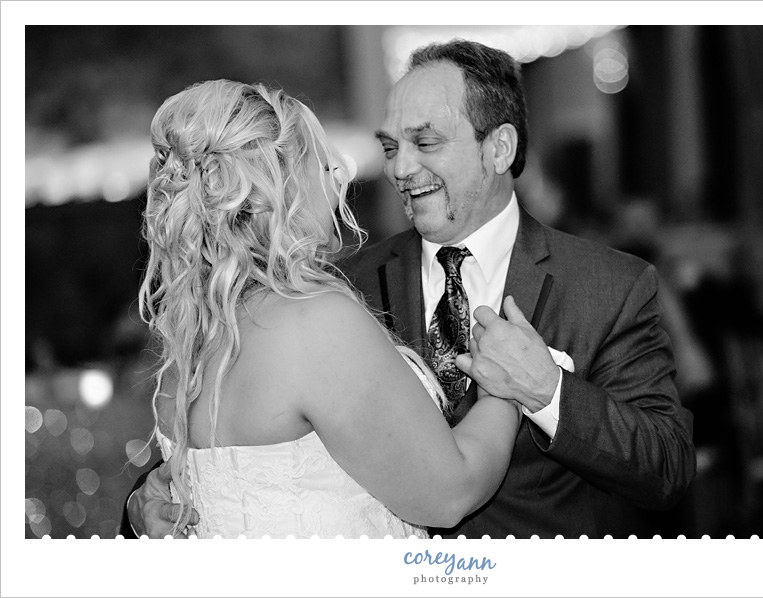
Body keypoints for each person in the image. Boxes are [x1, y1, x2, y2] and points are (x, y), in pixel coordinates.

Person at [120, 79, 520, 538]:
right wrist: (504, 390)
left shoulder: (191, 340)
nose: (339, 176)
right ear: (278, 187)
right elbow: (450, 494)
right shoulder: (316, 321)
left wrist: (136, 508)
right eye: (322, 165)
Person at [345, 39, 695, 538]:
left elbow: (667, 468)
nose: (399, 169)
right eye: (390, 148)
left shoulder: (609, 285)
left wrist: (548, 391)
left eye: (426, 143)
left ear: (499, 148)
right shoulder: (349, 286)